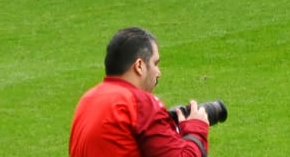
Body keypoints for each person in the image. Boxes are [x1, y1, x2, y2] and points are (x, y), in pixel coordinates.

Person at [69, 27, 211, 157]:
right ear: (139, 66)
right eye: (155, 63)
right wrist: (195, 128)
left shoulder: (87, 99)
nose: (158, 72)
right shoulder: (138, 102)